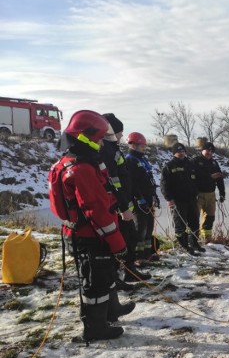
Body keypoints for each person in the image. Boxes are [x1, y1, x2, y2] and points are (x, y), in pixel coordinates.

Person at [48, 110, 135, 342]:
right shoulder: (82, 169)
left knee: (102, 277)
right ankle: (96, 329)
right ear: (84, 137)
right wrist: (117, 243)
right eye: (97, 139)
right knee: (94, 284)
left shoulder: (74, 162)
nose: (99, 144)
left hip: (85, 233)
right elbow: (96, 210)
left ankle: (109, 312)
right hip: (89, 236)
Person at [101, 113, 151, 282]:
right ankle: (118, 276)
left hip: (124, 202)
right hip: (117, 205)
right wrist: (123, 206)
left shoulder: (113, 149)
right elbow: (113, 181)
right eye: (120, 133)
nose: (122, 136)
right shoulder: (106, 151)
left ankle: (130, 272)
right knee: (121, 240)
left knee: (129, 238)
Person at [160, 142, 204, 256]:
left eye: (183, 151)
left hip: (191, 199)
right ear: (174, 153)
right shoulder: (169, 166)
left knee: (194, 222)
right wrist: (169, 199)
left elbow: (198, 179)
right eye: (179, 151)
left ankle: (194, 243)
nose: (182, 153)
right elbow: (164, 184)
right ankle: (185, 246)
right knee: (180, 225)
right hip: (178, 201)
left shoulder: (190, 164)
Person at [125, 131, 161, 268]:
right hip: (138, 201)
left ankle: (147, 254)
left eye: (144, 146)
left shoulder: (142, 160)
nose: (143, 148)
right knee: (140, 228)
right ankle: (137, 257)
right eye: (141, 146)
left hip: (148, 199)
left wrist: (154, 196)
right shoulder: (130, 160)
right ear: (133, 145)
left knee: (149, 227)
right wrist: (139, 198)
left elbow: (149, 181)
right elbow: (132, 183)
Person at [193, 141, 226, 243]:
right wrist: (210, 177)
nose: (210, 153)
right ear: (202, 150)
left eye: (212, 151)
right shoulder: (195, 161)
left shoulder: (214, 163)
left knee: (210, 217)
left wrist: (222, 193)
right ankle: (193, 240)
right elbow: (194, 177)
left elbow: (219, 178)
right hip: (198, 194)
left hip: (211, 194)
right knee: (194, 217)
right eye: (208, 150)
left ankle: (206, 240)